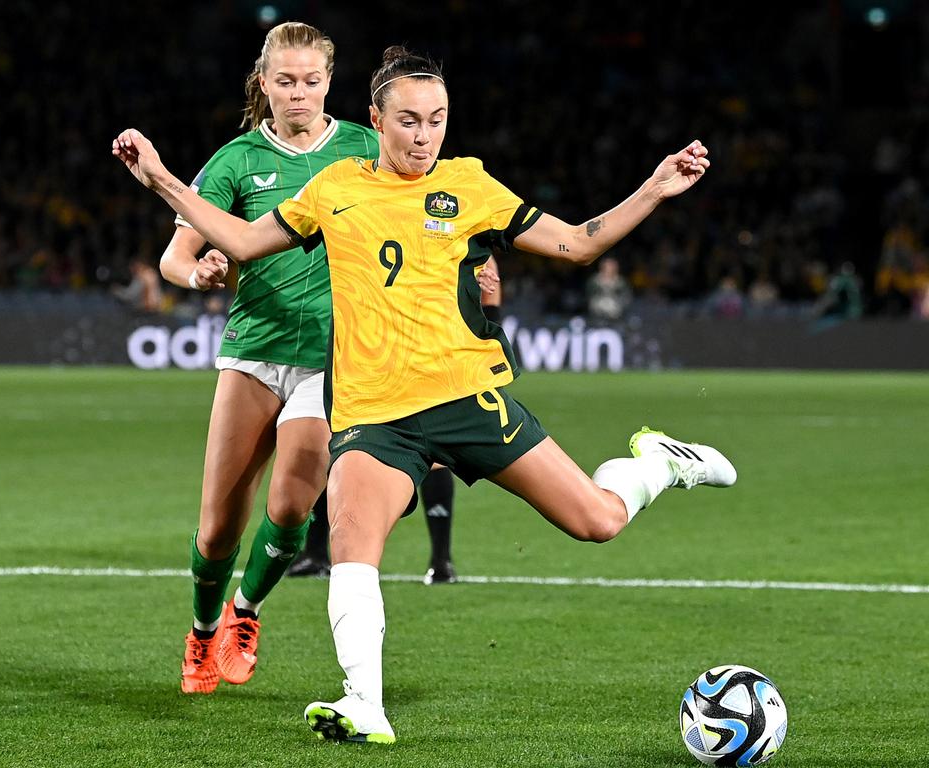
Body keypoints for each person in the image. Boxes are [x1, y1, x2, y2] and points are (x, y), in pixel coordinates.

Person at [113, 45, 737, 743]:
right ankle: (364, 705)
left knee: (596, 520)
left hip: (468, 397)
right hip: (375, 416)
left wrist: (653, 189)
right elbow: (238, 239)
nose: (423, 136)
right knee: (353, 543)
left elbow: (576, 245)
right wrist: (162, 178)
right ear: (376, 119)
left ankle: (658, 461)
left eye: (437, 120)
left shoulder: (469, 184)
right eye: (409, 120)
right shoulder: (334, 188)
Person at [159, 22, 383, 696]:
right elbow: (175, 258)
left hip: (330, 358)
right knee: (219, 524)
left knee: (291, 505)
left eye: (311, 80)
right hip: (254, 351)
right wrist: (200, 275)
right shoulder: (233, 161)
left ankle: (246, 612)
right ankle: (202, 634)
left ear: (329, 82)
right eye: (285, 81)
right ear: (265, 83)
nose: (299, 93)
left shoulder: (365, 149)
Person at [287, 256, 503, 585]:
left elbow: (489, 278)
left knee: (428, 447)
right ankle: (317, 551)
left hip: (427, 346)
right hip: (371, 345)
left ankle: (440, 559)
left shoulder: (446, 217)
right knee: (339, 439)